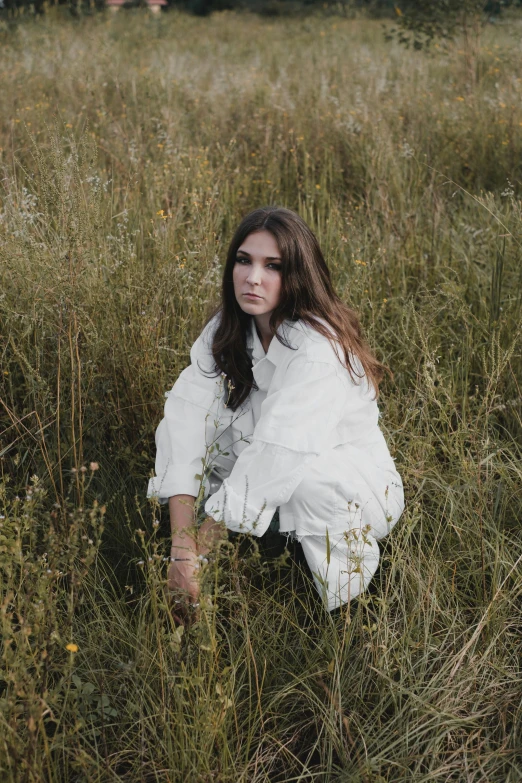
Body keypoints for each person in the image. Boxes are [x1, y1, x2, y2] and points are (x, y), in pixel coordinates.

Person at [147, 206, 404, 620]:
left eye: (273, 266)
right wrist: (181, 546)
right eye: (244, 260)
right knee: (206, 433)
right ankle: (263, 542)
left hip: (354, 487)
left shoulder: (319, 349)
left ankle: (348, 604)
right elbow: (185, 418)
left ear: (298, 275)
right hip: (269, 468)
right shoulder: (226, 329)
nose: (253, 277)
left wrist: (197, 555)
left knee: (301, 477)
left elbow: (280, 451)